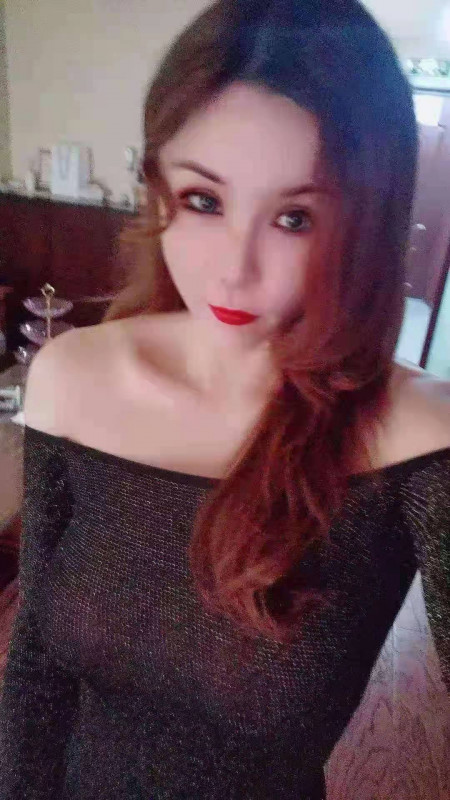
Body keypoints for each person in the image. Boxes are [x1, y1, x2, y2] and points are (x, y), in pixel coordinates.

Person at [1, 0, 449, 798]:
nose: (235, 270)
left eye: (295, 217)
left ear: (364, 224)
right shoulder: (72, 376)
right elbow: (37, 668)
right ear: (157, 187)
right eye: (204, 200)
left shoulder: (417, 437)